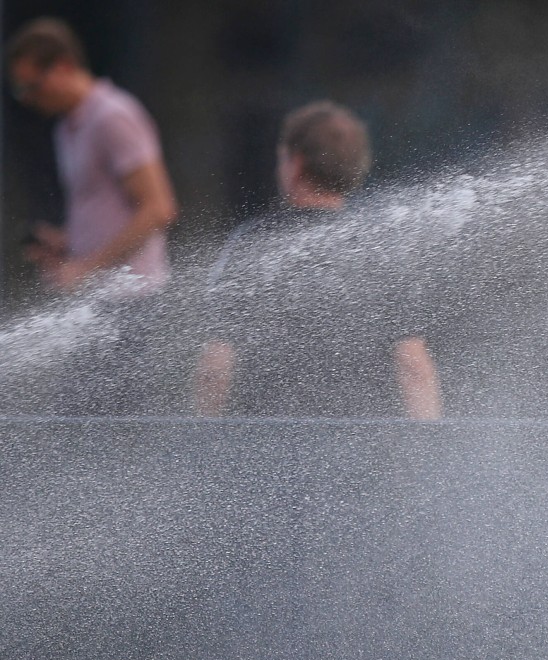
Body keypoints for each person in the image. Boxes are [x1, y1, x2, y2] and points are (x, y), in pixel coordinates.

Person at [193, 100, 442, 419]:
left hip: (264, 446)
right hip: (367, 449)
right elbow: (413, 365)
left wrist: (206, 444)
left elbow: (216, 363)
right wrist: (428, 453)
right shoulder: (380, 245)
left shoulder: (253, 243)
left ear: (295, 164)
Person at [6, 17, 177, 293]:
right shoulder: (66, 128)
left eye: (33, 86)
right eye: (20, 91)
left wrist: (87, 268)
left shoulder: (113, 116)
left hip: (135, 297)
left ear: (63, 67)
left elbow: (158, 208)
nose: (28, 99)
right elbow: (107, 212)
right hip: (102, 298)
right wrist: (67, 242)